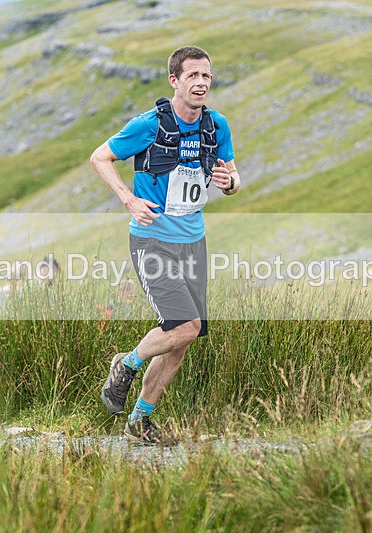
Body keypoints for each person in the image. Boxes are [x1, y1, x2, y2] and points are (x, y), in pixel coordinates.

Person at [90, 46, 240, 444]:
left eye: (206, 76)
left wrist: (231, 184)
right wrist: (129, 199)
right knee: (184, 327)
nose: (201, 83)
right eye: (192, 76)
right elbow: (100, 157)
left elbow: (231, 173)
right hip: (153, 240)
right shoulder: (148, 124)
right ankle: (127, 363)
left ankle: (139, 420)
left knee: (182, 339)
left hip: (194, 243)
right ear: (174, 80)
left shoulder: (216, 125)